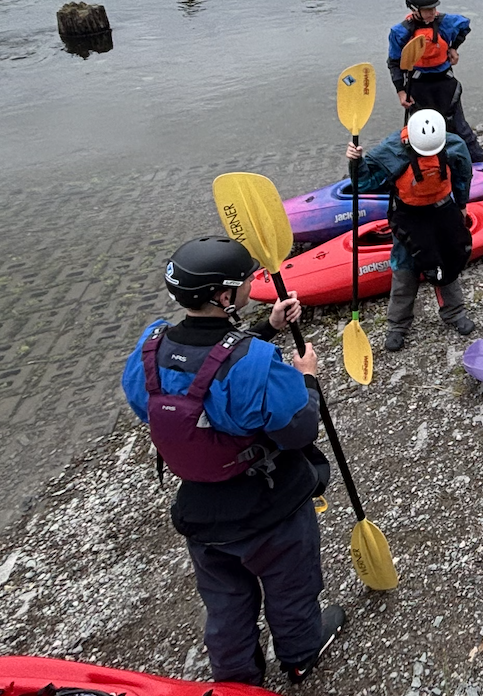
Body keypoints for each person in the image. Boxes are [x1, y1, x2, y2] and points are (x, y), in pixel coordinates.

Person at [121, 237, 345, 685]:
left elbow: (194, 376)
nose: (253, 284)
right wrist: (308, 380)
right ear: (225, 297)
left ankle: (236, 679)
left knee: (224, 599)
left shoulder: (150, 348)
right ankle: (300, 656)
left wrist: (267, 326)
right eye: (247, 281)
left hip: (200, 512)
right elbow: (299, 428)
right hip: (270, 509)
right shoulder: (255, 363)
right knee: (291, 589)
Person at [345, 108, 476, 351]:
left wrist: (461, 205)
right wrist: (357, 162)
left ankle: (455, 313)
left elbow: (462, 175)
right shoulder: (392, 150)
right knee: (404, 271)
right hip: (409, 217)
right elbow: (364, 182)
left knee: (446, 262)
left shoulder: (453, 145)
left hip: (443, 211)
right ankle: (397, 326)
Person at [387, 0, 483, 163]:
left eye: (434, 8)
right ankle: (428, 167)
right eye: (427, 10)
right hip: (417, 85)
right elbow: (394, 63)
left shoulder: (445, 22)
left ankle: (479, 163)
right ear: (414, 10)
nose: (432, 13)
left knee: (459, 127)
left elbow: (465, 26)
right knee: (424, 130)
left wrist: (453, 47)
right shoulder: (400, 32)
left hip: (445, 82)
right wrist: (401, 92)